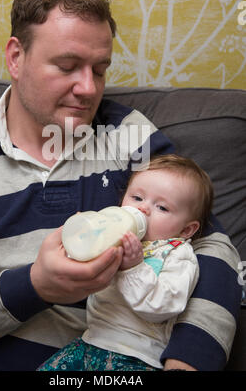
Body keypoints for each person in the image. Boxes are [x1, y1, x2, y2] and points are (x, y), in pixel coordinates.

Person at [0, 0, 241, 371]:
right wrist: (34, 285)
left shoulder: (128, 135)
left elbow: (212, 243)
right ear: (16, 57)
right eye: (68, 66)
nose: (88, 88)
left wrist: (189, 360)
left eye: (99, 69)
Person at [38, 154, 213, 371]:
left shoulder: (178, 255)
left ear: (187, 229)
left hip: (136, 356)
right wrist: (83, 238)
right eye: (137, 198)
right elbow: (79, 277)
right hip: (90, 341)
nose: (143, 209)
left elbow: (162, 306)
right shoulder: (115, 236)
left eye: (162, 208)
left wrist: (134, 267)